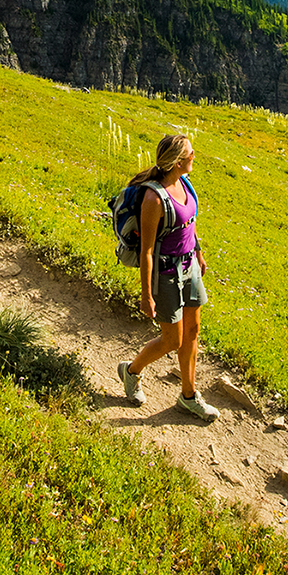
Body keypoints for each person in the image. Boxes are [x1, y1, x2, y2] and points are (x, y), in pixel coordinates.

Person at [116, 133, 220, 421]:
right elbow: (147, 250)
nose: (194, 155)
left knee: (193, 331)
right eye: (190, 153)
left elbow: (189, 221)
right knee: (171, 340)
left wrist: (198, 251)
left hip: (190, 267)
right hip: (166, 273)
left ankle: (188, 396)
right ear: (177, 161)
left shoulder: (184, 182)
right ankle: (131, 370)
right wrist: (146, 294)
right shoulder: (153, 198)